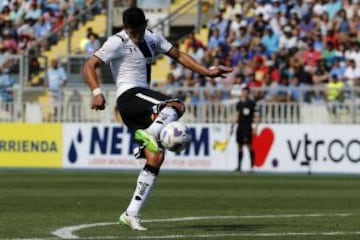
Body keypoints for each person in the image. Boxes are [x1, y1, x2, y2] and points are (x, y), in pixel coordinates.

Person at [82, 7, 232, 231]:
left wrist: (206, 72)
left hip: (139, 102)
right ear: (126, 29)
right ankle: (151, 134)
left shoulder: (153, 37)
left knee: (156, 158)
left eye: (138, 31)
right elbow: (89, 65)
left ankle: (130, 213)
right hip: (129, 96)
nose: (136, 36)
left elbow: (179, 55)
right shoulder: (116, 41)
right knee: (176, 105)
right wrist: (97, 92)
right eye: (132, 33)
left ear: (145, 25)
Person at [230, 87, 259, 172]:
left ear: (248, 93)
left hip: (248, 127)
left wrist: (256, 128)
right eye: (243, 92)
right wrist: (232, 127)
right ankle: (239, 167)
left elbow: (256, 116)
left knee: (249, 146)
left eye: (246, 92)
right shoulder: (239, 104)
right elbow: (236, 116)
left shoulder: (252, 103)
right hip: (240, 127)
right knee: (239, 146)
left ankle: (252, 166)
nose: (244, 94)